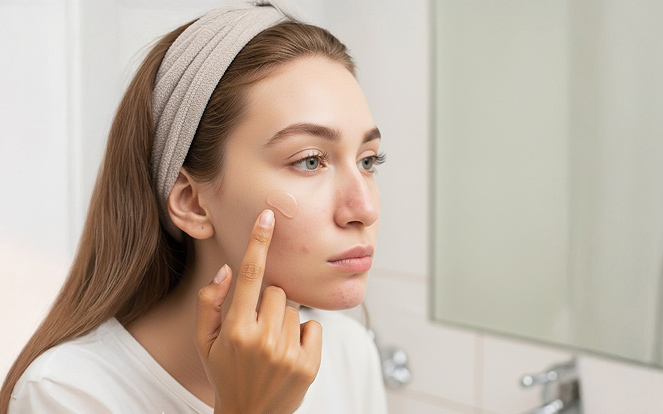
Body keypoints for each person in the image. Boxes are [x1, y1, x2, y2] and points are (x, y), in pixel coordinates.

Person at [0, 1, 387, 413]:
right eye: (309, 160)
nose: (364, 208)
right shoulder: (65, 394)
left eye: (367, 161)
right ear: (192, 203)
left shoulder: (347, 353)